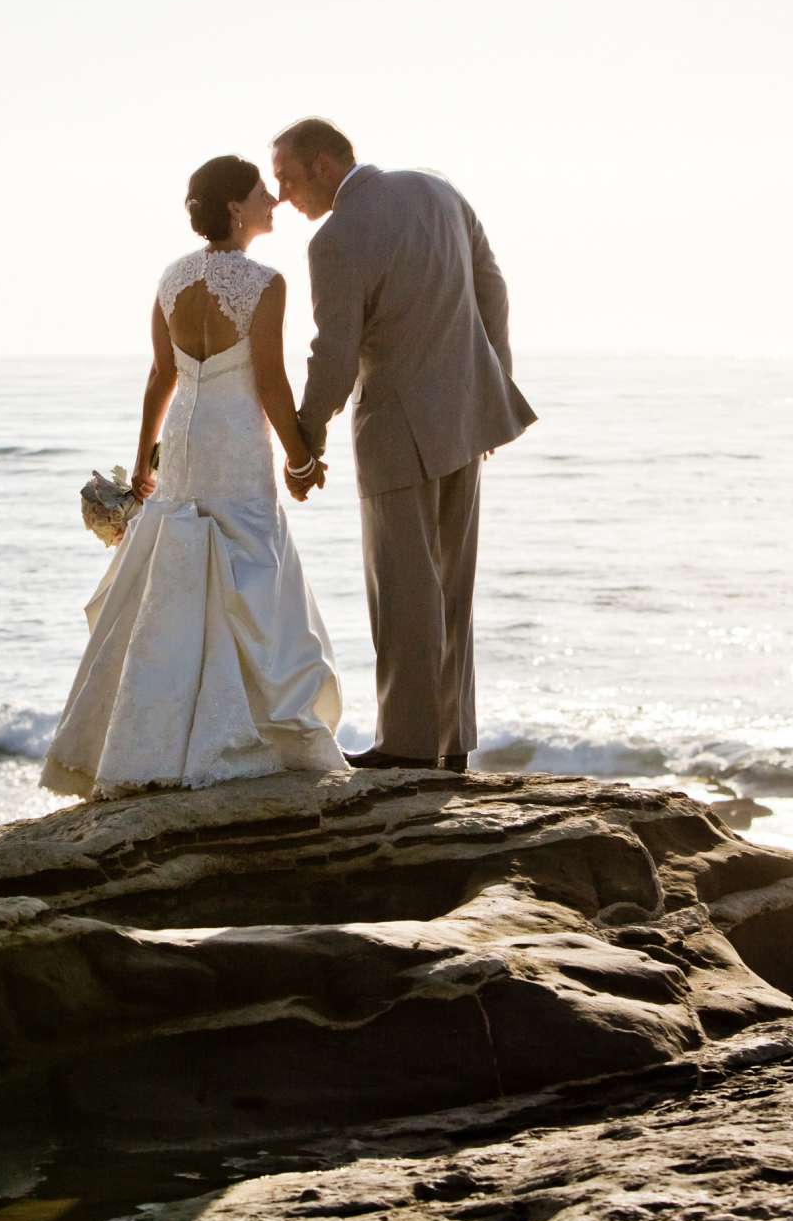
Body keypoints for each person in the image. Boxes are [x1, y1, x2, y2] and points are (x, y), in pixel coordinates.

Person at [42, 156, 345, 797]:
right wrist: (300, 458)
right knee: (248, 557)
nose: (273, 200)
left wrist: (145, 452)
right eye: (262, 191)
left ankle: (151, 741)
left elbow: (162, 375)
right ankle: (252, 737)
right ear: (236, 208)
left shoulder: (172, 277)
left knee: (177, 570)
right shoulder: (266, 282)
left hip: (183, 436)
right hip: (234, 439)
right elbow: (270, 381)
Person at [272, 118, 535, 773]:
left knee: (403, 590)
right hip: (466, 420)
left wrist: (304, 442)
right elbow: (492, 285)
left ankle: (408, 748)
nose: (282, 196)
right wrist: (491, 380)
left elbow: (332, 354)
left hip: (395, 430)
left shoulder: (336, 238)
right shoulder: (436, 191)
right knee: (451, 589)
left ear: (327, 165)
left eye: (287, 178)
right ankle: (450, 748)